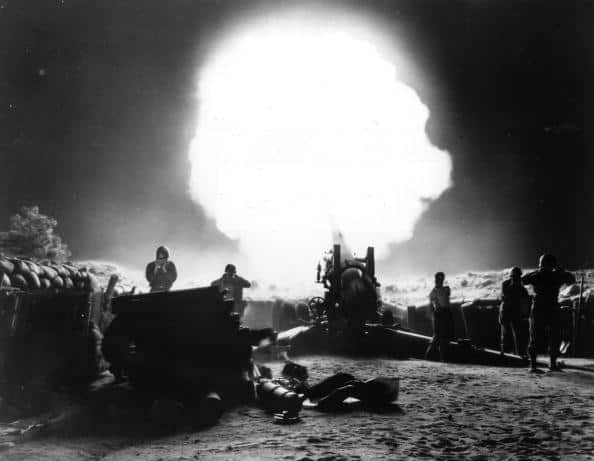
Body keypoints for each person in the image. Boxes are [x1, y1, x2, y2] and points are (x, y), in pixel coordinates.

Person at [522, 254, 575, 372]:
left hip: (538, 308)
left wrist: (537, 271)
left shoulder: (537, 275)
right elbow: (572, 279)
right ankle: (552, 364)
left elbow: (523, 280)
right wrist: (561, 271)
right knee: (554, 336)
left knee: (535, 336)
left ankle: (533, 365)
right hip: (552, 307)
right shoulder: (557, 275)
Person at [499, 267, 531, 359]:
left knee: (517, 334)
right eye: (515, 276)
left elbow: (525, 299)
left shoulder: (520, 287)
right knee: (506, 334)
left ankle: (518, 354)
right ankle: (505, 354)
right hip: (507, 312)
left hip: (514, 312)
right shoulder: (508, 284)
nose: (516, 278)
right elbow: (505, 296)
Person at [424, 272, 454, 362]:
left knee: (445, 336)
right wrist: (435, 315)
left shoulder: (446, 289)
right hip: (440, 313)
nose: (440, 281)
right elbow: (434, 305)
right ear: (436, 280)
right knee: (438, 336)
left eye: (441, 279)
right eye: (438, 279)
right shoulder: (433, 292)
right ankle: (429, 356)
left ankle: (443, 357)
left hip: (446, 313)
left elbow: (446, 297)